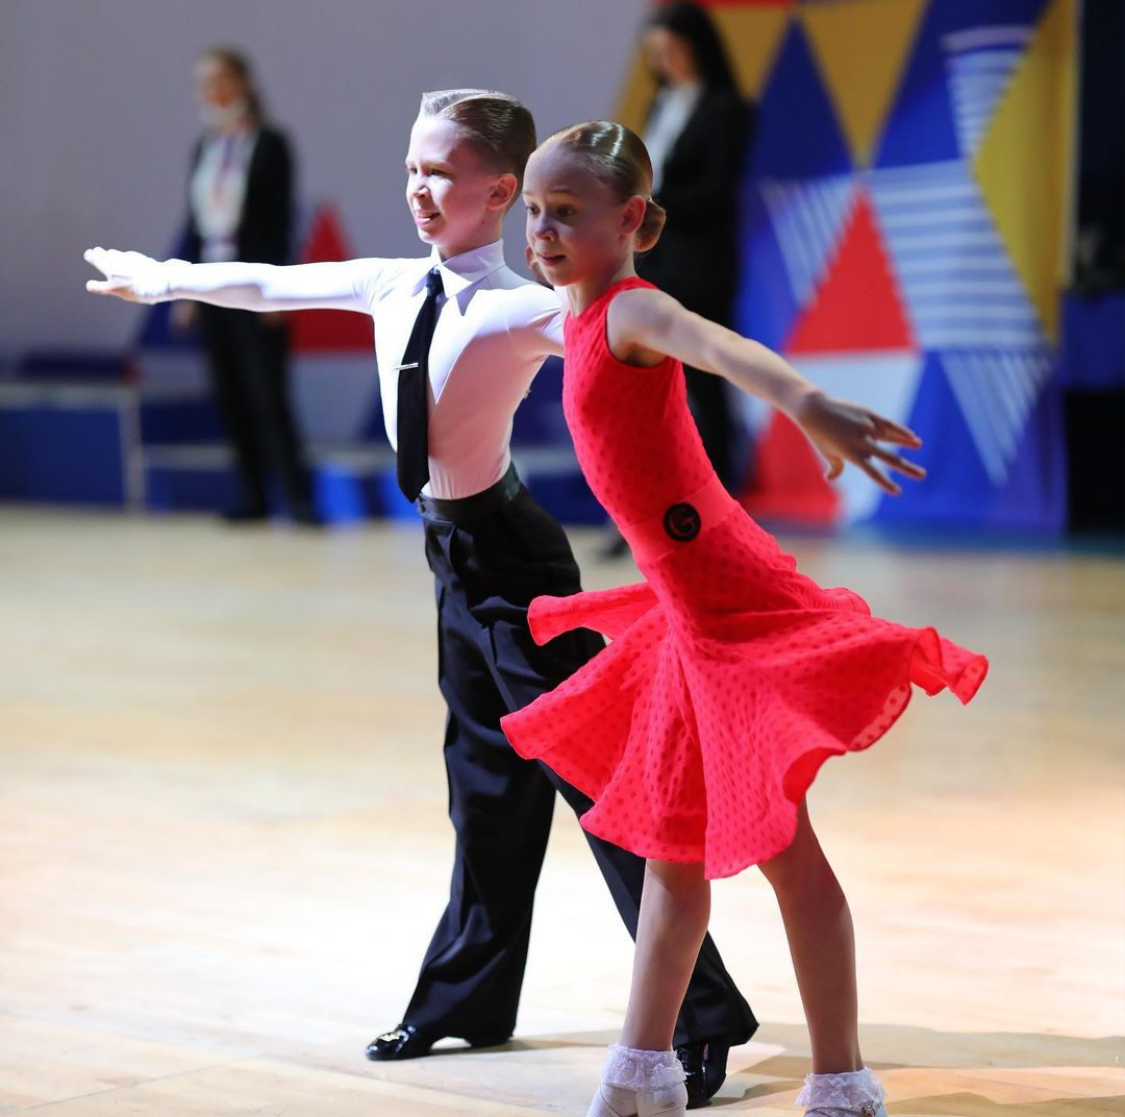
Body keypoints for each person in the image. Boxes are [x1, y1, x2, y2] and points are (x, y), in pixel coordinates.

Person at [83, 89, 756, 1107]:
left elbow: (642, 335)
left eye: (440, 172)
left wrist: (782, 402)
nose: (419, 188)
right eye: (412, 169)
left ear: (502, 191)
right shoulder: (394, 282)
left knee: (603, 791)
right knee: (483, 788)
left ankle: (698, 1018)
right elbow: (272, 284)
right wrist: (166, 277)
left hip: (520, 571)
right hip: (453, 563)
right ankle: (467, 998)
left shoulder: (528, 306)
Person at [505, 121, 988, 1117]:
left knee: (782, 850)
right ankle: (640, 1072)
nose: (541, 231)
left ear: (631, 222)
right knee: (673, 851)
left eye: (565, 213)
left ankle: (840, 1078)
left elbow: (716, 344)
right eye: (534, 212)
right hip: (686, 614)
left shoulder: (634, 309)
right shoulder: (573, 309)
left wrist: (806, 401)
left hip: (729, 602)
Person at [180, 47, 317, 524]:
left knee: (268, 393)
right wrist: (185, 288)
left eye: (219, 80)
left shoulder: (270, 143)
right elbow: (195, 223)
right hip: (210, 280)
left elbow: (280, 221)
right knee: (229, 392)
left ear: (242, 83)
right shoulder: (204, 147)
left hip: (254, 282)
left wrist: (275, 288)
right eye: (203, 83)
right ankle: (252, 495)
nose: (210, 91)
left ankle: (298, 499)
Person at [639, 2, 753, 493]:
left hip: (701, 264)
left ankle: (722, 496)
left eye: (672, 49)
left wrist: (650, 203)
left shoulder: (728, 111)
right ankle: (656, 494)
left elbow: (716, 192)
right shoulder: (659, 104)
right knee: (650, 385)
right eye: (656, 51)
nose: (663, 61)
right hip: (655, 260)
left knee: (707, 381)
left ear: (698, 48)